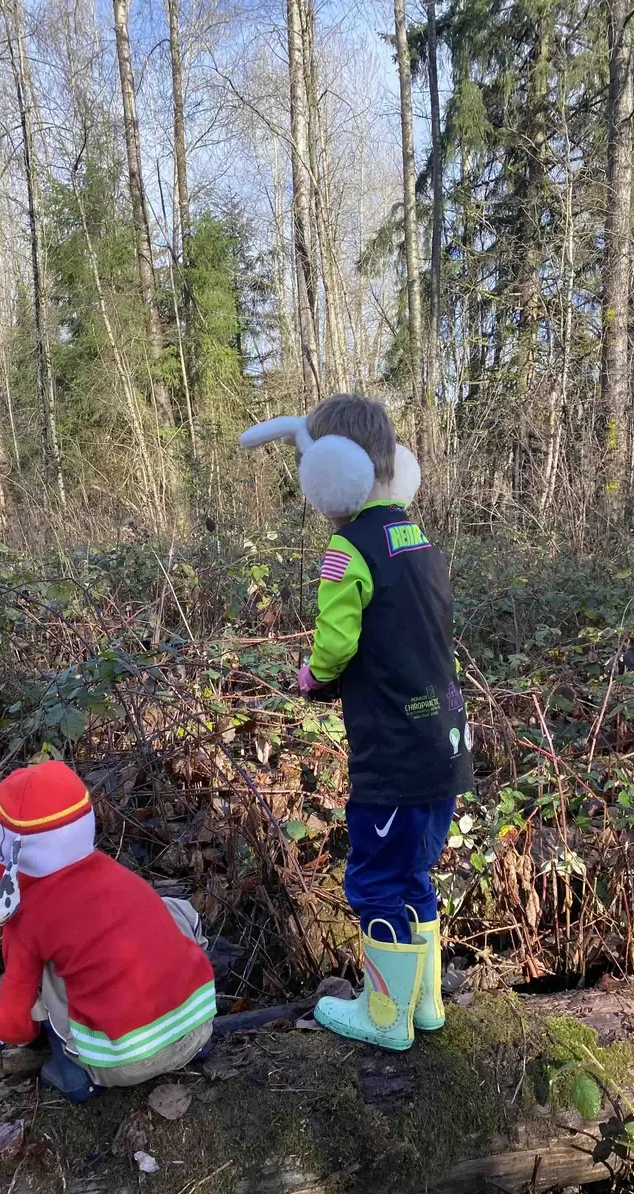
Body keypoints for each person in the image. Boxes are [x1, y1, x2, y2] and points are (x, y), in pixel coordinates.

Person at [239, 394, 473, 1052]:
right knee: (413, 876)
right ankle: (423, 1004)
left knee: (374, 878)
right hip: (444, 746)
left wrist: (313, 676)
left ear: (332, 472)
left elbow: (337, 645)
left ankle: (384, 1015)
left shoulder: (348, 550)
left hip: (393, 757)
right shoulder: (416, 537)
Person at [0, 760, 215, 1101]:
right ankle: (189, 1036)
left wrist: (7, 1025)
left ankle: (76, 1077)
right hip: (197, 1031)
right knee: (164, 911)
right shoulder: (115, 873)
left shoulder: (28, 917)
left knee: (45, 974)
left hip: (120, 1064)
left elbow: (12, 1022)